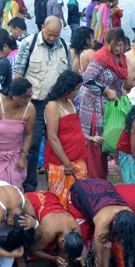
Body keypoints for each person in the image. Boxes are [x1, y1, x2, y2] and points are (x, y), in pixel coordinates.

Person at [13, 16, 70, 191]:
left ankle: (58, 186)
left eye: (56, 35)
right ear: (42, 27)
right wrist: (20, 103)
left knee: (58, 144)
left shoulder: (64, 46)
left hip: (55, 104)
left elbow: (67, 76)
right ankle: (29, 187)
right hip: (34, 104)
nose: (53, 38)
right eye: (50, 34)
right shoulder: (28, 44)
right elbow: (18, 75)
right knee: (33, 144)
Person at [68, 179, 135, 267]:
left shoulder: (129, 215)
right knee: (85, 235)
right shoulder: (103, 222)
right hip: (79, 193)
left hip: (103, 190)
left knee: (106, 238)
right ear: (115, 222)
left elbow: (126, 240)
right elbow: (98, 254)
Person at [77, 28, 128, 179]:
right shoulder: (101, 57)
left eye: (121, 45)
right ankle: (94, 179)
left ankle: (102, 178)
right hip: (94, 106)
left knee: (107, 142)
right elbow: (86, 80)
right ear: (108, 43)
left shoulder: (121, 59)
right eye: (115, 45)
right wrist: (106, 90)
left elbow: (119, 79)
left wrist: (120, 89)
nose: (118, 49)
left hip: (110, 106)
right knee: (95, 144)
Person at [44, 71, 88, 206]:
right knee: (60, 199)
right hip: (61, 161)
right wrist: (66, 163)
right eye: (75, 89)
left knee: (79, 197)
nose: (76, 93)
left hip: (78, 157)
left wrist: (90, 138)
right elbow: (52, 136)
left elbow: (74, 129)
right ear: (66, 88)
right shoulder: (53, 105)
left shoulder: (70, 102)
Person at [23, 190, 84, 267]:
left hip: (51, 198)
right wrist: (53, 258)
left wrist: (79, 256)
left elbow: (77, 248)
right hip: (34, 199)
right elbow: (34, 250)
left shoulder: (76, 228)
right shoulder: (49, 232)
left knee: (66, 250)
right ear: (62, 241)